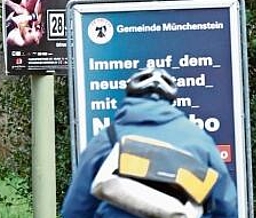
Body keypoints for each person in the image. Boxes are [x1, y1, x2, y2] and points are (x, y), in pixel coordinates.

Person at [61, 68, 238, 218]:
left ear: (130, 96)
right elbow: (226, 205)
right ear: (171, 102)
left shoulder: (108, 138)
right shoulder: (200, 142)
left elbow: (75, 208)